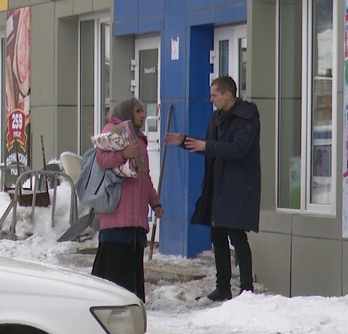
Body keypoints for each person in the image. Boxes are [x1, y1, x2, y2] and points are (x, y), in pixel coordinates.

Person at [164, 75, 261, 301]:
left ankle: (246, 289)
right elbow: (209, 147)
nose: (211, 99)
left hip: (239, 185)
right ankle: (223, 287)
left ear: (228, 94)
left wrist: (206, 145)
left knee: (237, 235)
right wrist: (186, 141)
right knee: (217, 234)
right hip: (218, 184)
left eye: (214, 95)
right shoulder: (217, 117)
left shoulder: (247, 116)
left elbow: (238, 149)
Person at [91, 98, 164, 302]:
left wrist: (155, 203)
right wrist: (123, 154)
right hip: (117, 214)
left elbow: (144, 176)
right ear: (127, 112)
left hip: (136, 218)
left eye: (142, 110)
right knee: (113, 269)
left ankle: (132, 304)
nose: (142, 115)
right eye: (138, 111)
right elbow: (102, 159)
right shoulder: (113, 131)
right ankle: (107, 305)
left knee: (132, 268)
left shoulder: (139, 139)